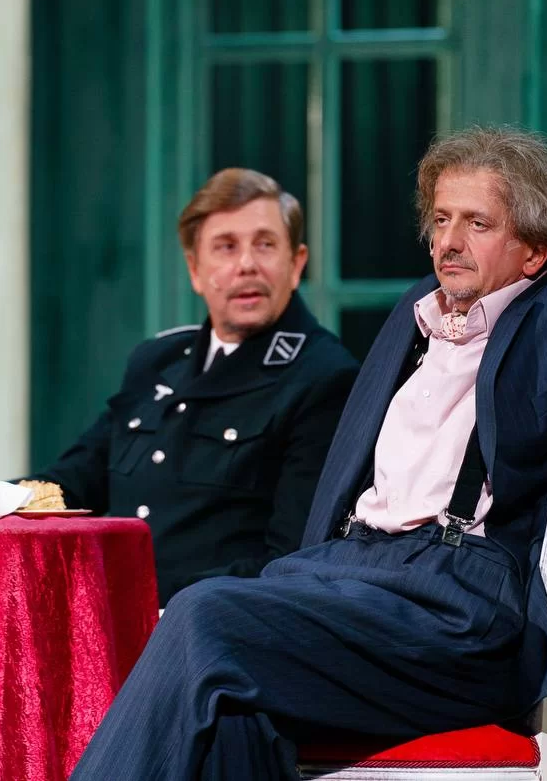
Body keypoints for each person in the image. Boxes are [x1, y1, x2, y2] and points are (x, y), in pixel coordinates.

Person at [69, 128, 547, 779]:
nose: (448, 241)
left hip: (459, 602)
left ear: (532, 250)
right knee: (229, 710)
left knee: (203, 613)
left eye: (477, 223)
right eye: (441, 219)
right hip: (344, 572)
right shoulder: (416, 307)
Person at [27, 168, 358, 604]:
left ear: (296, 265)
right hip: (117, 621)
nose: (246, 264)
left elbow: (291, 559)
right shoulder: (158, 361)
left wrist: (154, 604)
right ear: (195, 270)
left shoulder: (323, 376)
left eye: (265, 244)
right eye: (226, 247)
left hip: (213, 630)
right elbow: (71, 482)